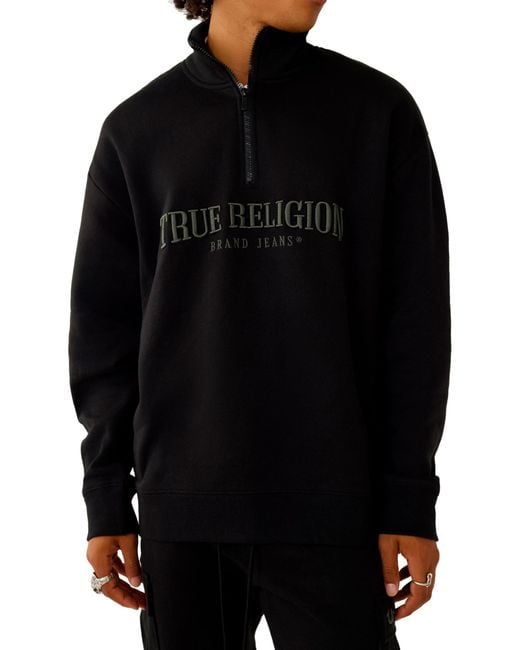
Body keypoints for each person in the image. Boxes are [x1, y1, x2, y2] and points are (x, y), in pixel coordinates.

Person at [68, 0, 451, 648]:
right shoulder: (135, 130)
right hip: (182, 519)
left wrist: (408, 497)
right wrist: (107, 495)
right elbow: (103, 330)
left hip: (336, 514)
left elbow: (415, 324)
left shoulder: (378, 112)